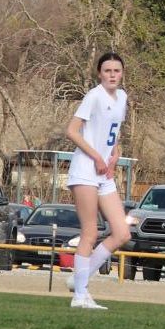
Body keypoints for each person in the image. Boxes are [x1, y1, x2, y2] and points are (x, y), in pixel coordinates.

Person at [65, 52, 128, 312]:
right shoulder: (94, 96)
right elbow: (71, 130)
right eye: (107, 71)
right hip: (86, 171)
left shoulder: (122, 97)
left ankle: (79, 279)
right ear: (99, 73)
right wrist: (96, 157)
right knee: (90, 233)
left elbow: (114, 133)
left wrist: (115, 154)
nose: (112, 75)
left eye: (116, 70)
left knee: (122, 233)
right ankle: (79, 295)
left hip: (104, 174)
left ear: (122, 73)